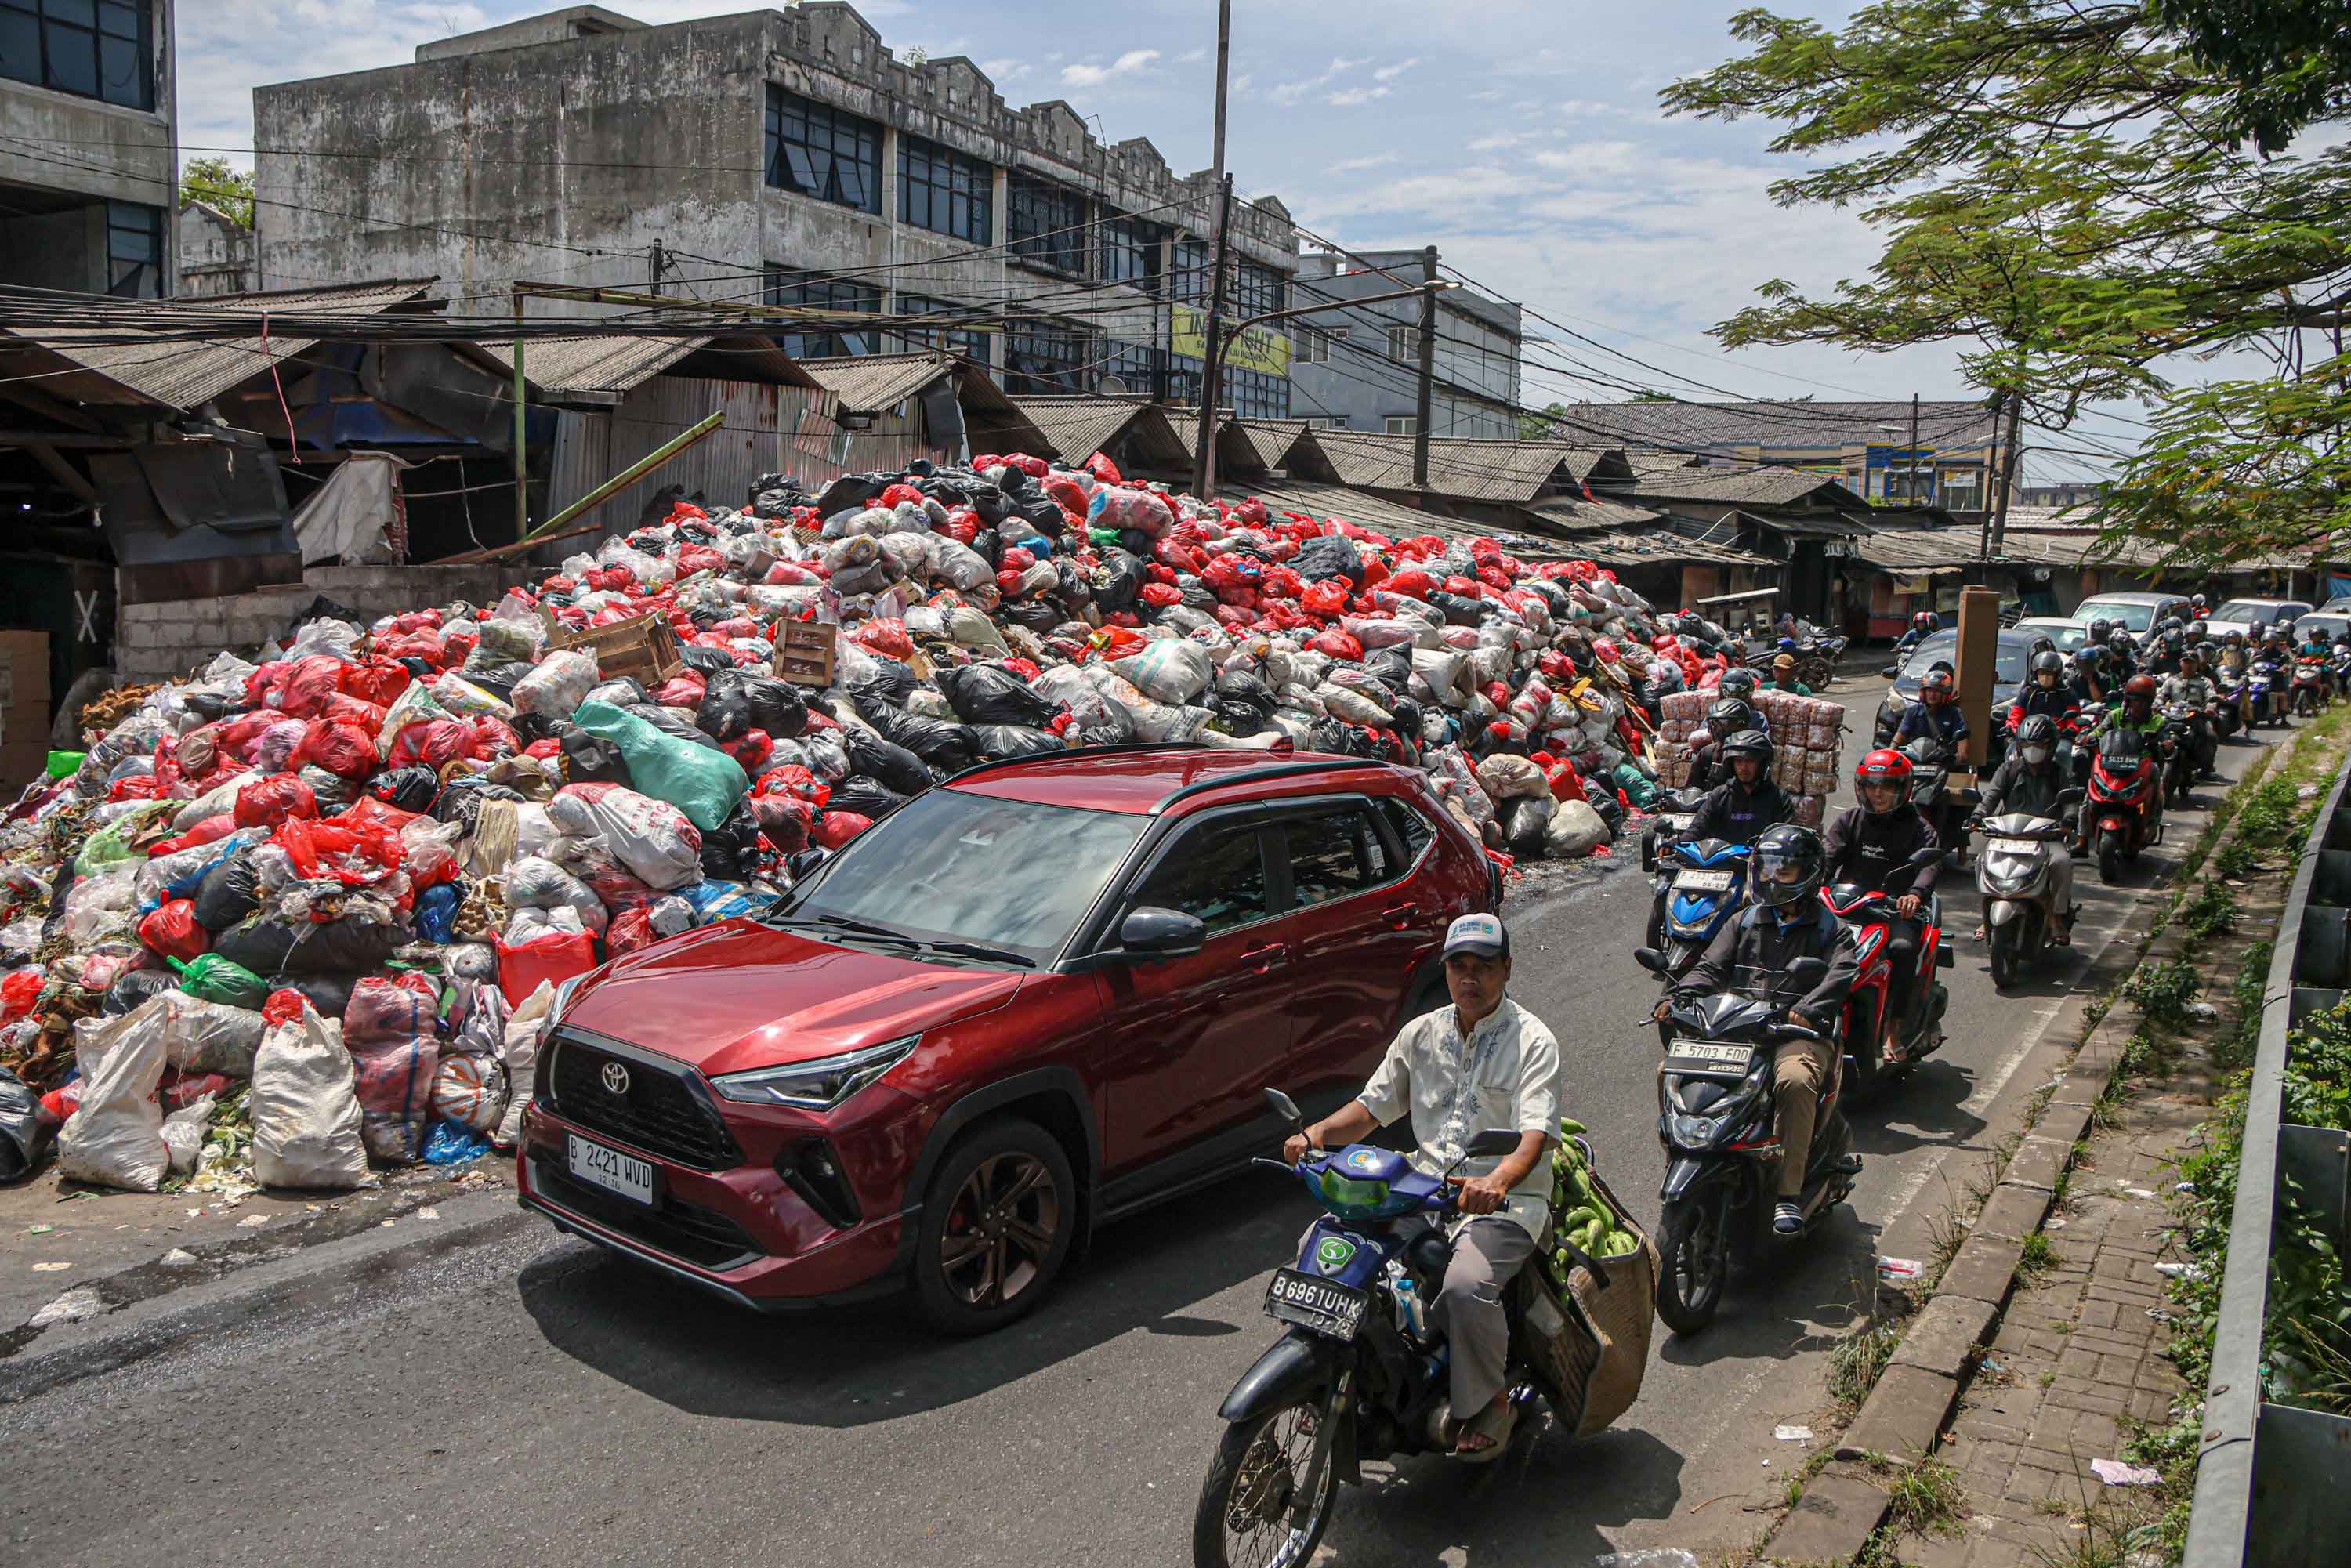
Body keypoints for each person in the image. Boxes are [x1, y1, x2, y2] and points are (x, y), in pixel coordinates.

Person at [1284, 913, 1560, 1461]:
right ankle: (1342, 1369)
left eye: (1484, 966)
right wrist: (1315, 1134)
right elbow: (1370, 1109)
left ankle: (1490, 1402)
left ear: (1507, 968)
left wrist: (1497, 1180)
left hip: (1505, 1204)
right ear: (1447, 969)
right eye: (1460, 966)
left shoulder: (1533, 1040)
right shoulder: (1422, 1034)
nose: (1470, 978)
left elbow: (1534, 1137)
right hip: (1422, 1188)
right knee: (1326, 1244)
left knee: (1463, 1284)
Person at [1659, 824, 1858, 1233]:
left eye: (1782, 871)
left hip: (1795, 1033)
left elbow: (1842, 972)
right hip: (1739, 1028)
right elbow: (1711, 967)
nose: (1771, 879)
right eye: (1767, 868)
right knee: (1669, 1071)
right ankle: (1683, 1152)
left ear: (1807, 873)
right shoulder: (1745, 919)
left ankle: (1788, 1193)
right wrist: (1678, 997)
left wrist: (1807, 1008)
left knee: (1795, 1080)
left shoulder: (1828, 928)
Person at [1824, 749, 1942, 1063]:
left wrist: (1915, 895)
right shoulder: (1850, 820)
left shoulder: (1919, 828)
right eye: (1872, 785)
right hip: (1847, 908)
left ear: (1903, 789)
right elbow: (1827, 856)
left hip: (1894, 912)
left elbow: (1929, 865)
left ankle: (1894, 1026)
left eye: (1886, 786)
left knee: (1902, 949)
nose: (1878, 793)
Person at [1971, 714, 2077, 945]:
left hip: (2047, 836)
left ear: (2051, 746)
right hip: (2008, 835)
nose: (2033, 750)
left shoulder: (2061, 773)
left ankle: (2056, 917)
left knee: (2061, 863)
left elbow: (2070, 803)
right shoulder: (2008, 769)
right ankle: (1985, 916)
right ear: (2019, 745)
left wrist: (2069, 819)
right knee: (1981, 861)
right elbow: (1991, 796)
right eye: (2028, 744)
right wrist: (1978, 814)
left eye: (2039, 745)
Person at [2078, 673, 2168, 850]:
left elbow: (2166, 739)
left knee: (2157, 777)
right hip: (2111, 763)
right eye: (2135, 700)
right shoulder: (2115, 716)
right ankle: (2081, 840)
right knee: (2089, 794)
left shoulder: (2158, 721)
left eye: (2143, 701)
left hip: (2141, 766)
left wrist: (2166, 744)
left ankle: (2152, 821)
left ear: (2150, 703)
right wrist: (2087, 737)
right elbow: (2100, 732)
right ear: (2127, 700)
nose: (2139, 705)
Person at [1680, 730, 1793, 845]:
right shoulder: (1719, 795)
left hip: (1759, 861)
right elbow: (1697, 829)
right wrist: (1674, 844)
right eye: (1739, 761)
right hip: (1721, 861)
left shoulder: (1778, 798)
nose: (1743, 768)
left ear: (1762, 764)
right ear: (1731, 764)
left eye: (1750, 761)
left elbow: (1786, 837)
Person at [2161, 650, 2219, 780]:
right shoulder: (2171, 681)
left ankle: (2206, 768)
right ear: (2180, 663)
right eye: (2185, 662)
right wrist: (2156, 705)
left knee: (2210, 736)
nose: (2188, 665)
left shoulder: (2205, 681)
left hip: (2197, 716)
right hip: (2174, 716)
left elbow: (2211, 697)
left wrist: (2210, 708)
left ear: (2197, 664)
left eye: (2192, 663)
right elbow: (2161, 696)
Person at [1893, 667, 1969, 755]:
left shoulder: (1954, 713)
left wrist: (1961, 754)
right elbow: (1902, 733)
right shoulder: (1913, 711)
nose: (1932, 695)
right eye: (1929, 690)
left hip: (1942, 760)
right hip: (1915, 759)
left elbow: (1962, 738)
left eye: (1937, 691)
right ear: (1923, 693)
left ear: (1945, 694)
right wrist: (1892, 749)